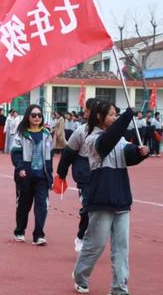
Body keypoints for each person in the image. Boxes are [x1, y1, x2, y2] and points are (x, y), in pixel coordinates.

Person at [72, 102, 149, 295]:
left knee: (121, 246)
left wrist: (140, 153)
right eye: (112, 115)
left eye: (117, 115)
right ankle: (80, 276)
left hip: (122, 198)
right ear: (99, 117)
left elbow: (128, 154)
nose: (115, 118)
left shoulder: (119, 138)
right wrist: (127, 117)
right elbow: (107, 143)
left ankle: (119, 287)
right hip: (101, 198)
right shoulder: (92, 139)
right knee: (96, 243)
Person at [56, 98, 98, 253]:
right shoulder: (81, 131)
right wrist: (61, 174)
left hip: (103, 173)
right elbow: (68, 154)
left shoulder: (108, 131)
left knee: (101, 210)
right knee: (88, 207)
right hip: (84, 173)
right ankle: (81, 237)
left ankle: (94, 238)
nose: (87, 114)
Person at [10, 104, 54, 246]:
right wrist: (20, 168)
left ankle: (39, 235)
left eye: (39, 115)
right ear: (28, 117)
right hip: (25, 176)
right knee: (24, 205)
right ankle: (20, 231)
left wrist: (50, 175)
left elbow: (49, 157)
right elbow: (16, 153)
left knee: (42, 205)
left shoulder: (46, 134)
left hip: (42, 176)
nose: (37, 118)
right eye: (34, 115)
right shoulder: (21, 134)